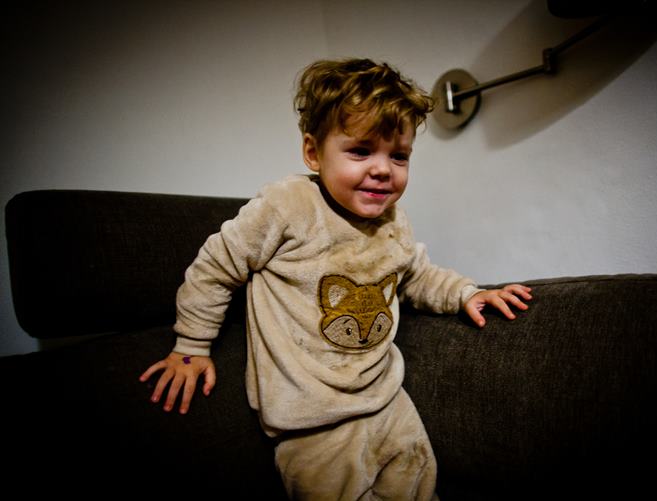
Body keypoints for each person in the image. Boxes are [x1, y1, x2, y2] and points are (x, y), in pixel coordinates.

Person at [140, 58, 532, 500]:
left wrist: (466, 293)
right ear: (313, 152)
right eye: (361, 151)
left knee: (421, 489)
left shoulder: (394, 221)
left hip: (388, 402)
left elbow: (416, 275)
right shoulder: (287, 206)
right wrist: (191, 346)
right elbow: (214, 269)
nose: (383, 169)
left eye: (398, 156)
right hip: (311, 423)